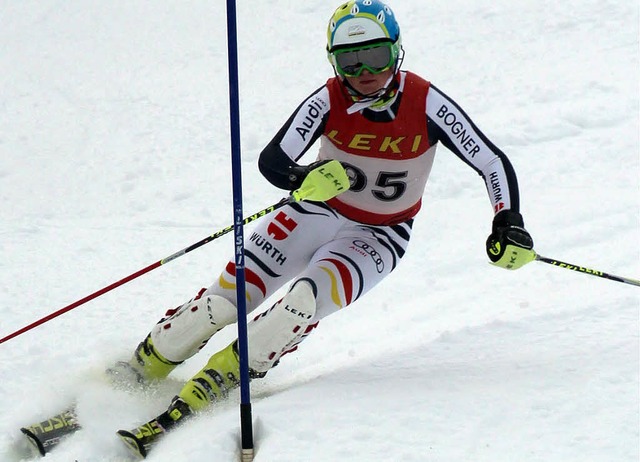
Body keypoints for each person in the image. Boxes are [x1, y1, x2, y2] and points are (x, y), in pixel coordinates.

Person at [114, 0, 535, 457]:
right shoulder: (328, 98)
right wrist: (301, 180)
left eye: (376, 56)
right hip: (311, 214)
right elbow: (273, 160)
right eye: (349, 61)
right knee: (221, 303)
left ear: (397, 52)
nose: (364, 71)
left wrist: (506, 219)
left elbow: (490, 160)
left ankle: (225, 374)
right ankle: (144, 364)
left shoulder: (426, 101)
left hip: (378, 236)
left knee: (301, 303)